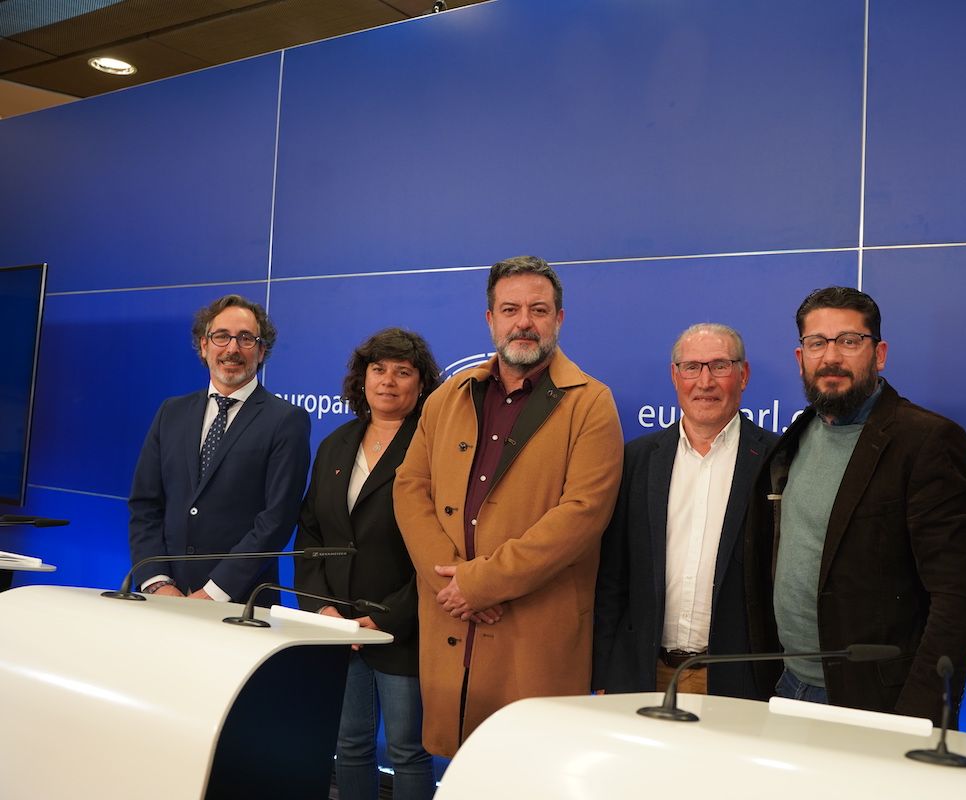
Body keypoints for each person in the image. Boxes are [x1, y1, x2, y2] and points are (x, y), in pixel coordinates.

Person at [393, 255, 623, 757]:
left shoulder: (592, 402)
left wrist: (481, 583)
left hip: (532, 630)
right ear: (490, 319)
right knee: (458, 768)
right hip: (452, 623)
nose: (524, 322)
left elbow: (582, 514)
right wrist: (451, 583)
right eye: (510, 309)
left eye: (538, 310)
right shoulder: (448, 396)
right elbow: (410, 488)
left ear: (559, 319)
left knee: (527, 768)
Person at [744, 286, 966, 726]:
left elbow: (961, 599)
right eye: (816, 342)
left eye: (849, 341)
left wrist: (917, 717)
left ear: (879, 354)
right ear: (800, 357)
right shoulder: (798, 435)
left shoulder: (927, 441)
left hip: (878, 704)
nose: (831, 356)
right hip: (787, 687)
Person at [593, 323, 776, 698]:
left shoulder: (776, 460)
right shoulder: (637, 460)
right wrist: (602, 675)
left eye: (719, 366)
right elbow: (612, 578)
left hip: (737, 683)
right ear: (674, 376)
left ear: (743, 375)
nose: (704, 381)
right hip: (645, 678)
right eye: (691, 367)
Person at [295, 328, 439, 800]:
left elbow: (442, 546)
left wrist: (386, 617)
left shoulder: (433, 447)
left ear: (421, 384)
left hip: (402, 626)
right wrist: (323, 610)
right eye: (378, 369)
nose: (388, 381)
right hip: (339, 626)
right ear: (362, 378)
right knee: (350, 745)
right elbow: (312, 530)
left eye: (403, 371)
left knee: (407, 750)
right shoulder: (337, 442)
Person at [128, 294, 310, 602]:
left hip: (239, 605)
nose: (233, 349)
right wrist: (157, 582)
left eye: (246, 339)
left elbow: (276, 520)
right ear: (204, 345)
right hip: (163, 600)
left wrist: (213, 592)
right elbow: (145, 505)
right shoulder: (171, 412)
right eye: (222, 336)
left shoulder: (286, 420)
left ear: (262, 350)